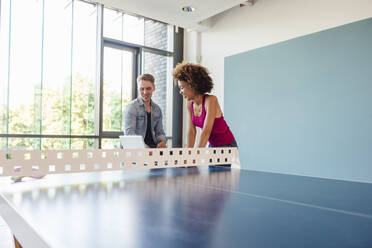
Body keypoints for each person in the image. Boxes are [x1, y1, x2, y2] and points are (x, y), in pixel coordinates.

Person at [173, 62, 237, 149]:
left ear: (192, 85)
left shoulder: (211, 100)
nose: (180, 92)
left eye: (182, 87)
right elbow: (191, 131)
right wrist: (188, 154)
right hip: (212, 145)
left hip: (227, 145)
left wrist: (197, 154)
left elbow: (206, 131)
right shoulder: (190, 104)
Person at [124, 74, 167, 148]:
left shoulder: (157, 109)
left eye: (148, 88)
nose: (145, 92)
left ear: (154, 88)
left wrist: (162, 141)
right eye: (142, 89)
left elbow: (160, 132)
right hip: (135, 151)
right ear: (138, 89)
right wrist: (142, 146)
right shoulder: (131, 107)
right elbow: (129, 134)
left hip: (153, 150)